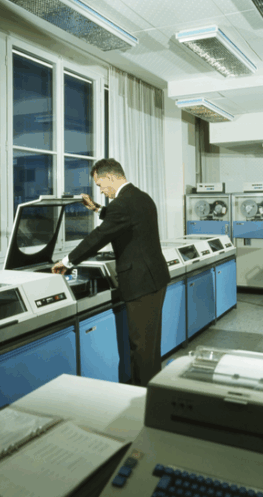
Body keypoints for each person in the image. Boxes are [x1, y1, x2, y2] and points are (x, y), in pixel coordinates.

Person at [52, 158, 170, 387]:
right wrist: (97, 208)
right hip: (155, 278)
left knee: (140, 347)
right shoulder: (140, 197)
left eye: (100, 185)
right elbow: (123, 219)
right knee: (150, 344)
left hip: (140, 282)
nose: (100, 190)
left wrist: (67, 261)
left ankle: (142, 397)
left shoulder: (122, 204)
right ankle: (153, 390)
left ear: (110, 177)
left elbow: (99, 237)